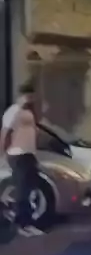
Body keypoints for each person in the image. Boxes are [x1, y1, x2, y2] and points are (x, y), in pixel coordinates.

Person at [0, 82, 44, 236]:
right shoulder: (13, 111)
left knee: (30, 189)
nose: (30, 99)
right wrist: (2, 155)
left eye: (32, 96)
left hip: (29, 154)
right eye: (28, 96)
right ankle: (21, 225)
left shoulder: (30, 112)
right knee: (22, 189)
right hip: (17, 154)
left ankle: (28, 223)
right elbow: (4, 133)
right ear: (21, 96)